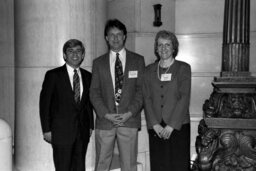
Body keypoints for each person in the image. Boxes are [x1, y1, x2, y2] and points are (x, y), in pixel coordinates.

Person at [90, 19, 145, 171]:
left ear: (125, 36)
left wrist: (129, 113)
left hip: (129, 120)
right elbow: (94, 92)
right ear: (106, 38)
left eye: (119, 34)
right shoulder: (98, 63)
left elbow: (141, 90)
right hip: (105, 121)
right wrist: (106, 114)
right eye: (111, 35)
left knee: (129, 165)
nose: (115, 38)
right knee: (102, 164)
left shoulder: (138, 60)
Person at [39, 39, 94, 171]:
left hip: (82, 132)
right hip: (61, 133)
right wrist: (46, 130)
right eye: (70, 51)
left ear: (83, 55)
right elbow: (44, 104)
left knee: (80, 167)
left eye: (78, 51)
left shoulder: (88, 76)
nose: (75, 54)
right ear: (64, 55)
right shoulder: (53, 75)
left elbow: (87, 104)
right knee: (63, 167)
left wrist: (91, 125)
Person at [143, 30, 191, 171]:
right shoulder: (148, 70)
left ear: (174, 47)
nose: (163, 48)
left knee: (178, 164)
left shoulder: (183, 68)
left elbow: (184, 97)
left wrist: (171, 126)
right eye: (160, 45)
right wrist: (155, 124)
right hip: (156, 126)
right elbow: (147, 98)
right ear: (156, 48)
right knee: (159, 165)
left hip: (178, 126)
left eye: (167, 45)